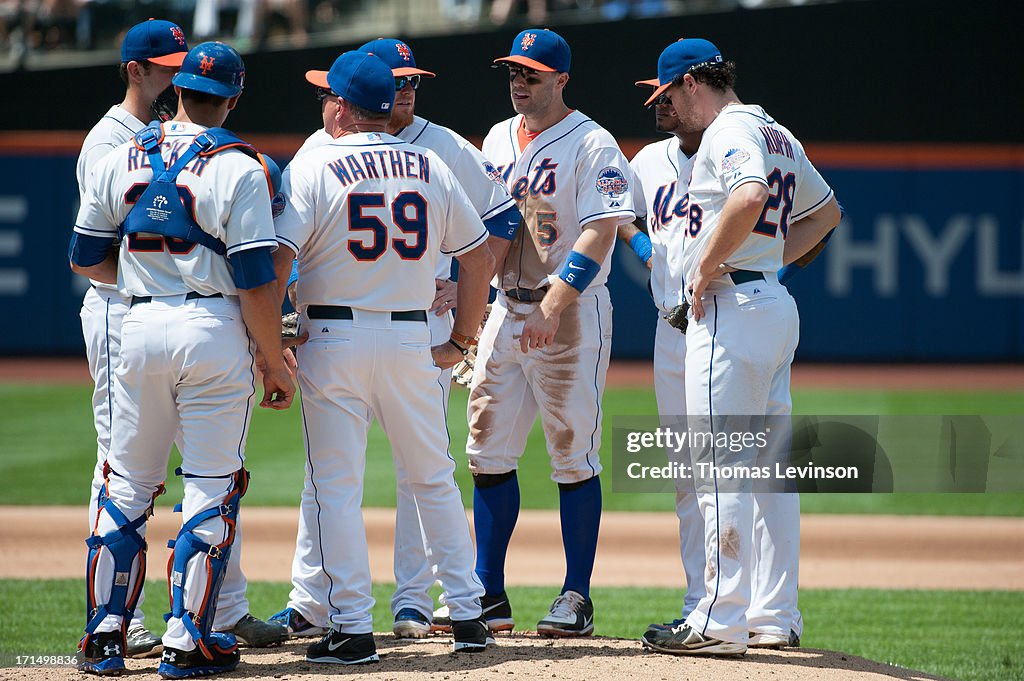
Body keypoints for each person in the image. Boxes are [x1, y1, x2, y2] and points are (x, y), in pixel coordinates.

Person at [269, 38, 520, 642]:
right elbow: (480, 252)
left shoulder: (317, 163)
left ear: (343, 105)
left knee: (335, 485)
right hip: (413, 338)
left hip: (333, 337)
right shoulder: (430, 164)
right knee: (433, 477)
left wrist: (275, 332)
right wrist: (461, 338)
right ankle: (467, 614)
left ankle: (352, 628)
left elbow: (279, 258)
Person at [70, 40, 295, 677]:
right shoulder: (242, 167)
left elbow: (86, 257)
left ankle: (105, 636)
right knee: (211, 487)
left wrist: (150, 278)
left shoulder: (122, 155)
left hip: (135, 324)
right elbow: (255, 281)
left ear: (177, 89)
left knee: (124, 488)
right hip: (211, 328)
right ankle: (185, 637)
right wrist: (274, 362)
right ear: (233, 95)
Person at [638, 38, 841, 656]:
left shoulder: (728, 130)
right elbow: (826, 212)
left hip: (730, 311)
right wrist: (760, 259)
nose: (667, 104)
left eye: (669, 93)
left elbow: (750, 196)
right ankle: (774, 615)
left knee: (719, 466)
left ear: (693, 84)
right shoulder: (776, 130)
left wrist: (708, 265)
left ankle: (719, 620)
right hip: (772, 305)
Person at [466, 28, 636, 636]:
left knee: (572, 454)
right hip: (502, 307)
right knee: (486, 450)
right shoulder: (495, 137)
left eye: (531, 73)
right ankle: (488, 593)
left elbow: (601, 230)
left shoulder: (593, 143)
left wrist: (553, 304)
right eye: (513, 70)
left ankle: (576, 597)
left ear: (561, 79)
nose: (519, 80)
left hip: (568, 313)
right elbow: (492, 228)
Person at [615, 83, 707, 632]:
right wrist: (642, 243)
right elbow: (615, 210)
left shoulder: (731, 149)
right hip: (668, 326)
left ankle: (754, 609)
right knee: (687, 475)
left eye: (668, 93)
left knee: (732, 471)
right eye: (655, 96)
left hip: (720, 319)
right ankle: (700, 600)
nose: (658, 104)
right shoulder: (649, 160)